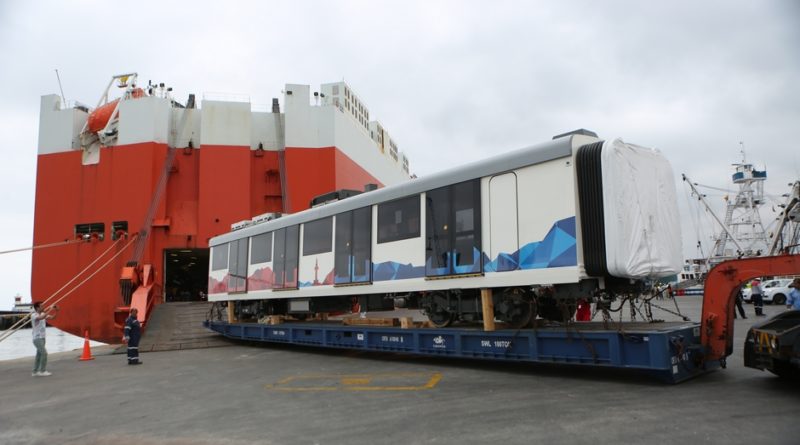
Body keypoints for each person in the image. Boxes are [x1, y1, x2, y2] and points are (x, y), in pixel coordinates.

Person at [30, 302, 58, 377]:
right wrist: (50, 309)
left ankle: (35, 372)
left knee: (38, 355)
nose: (43, 307)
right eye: (41, 306)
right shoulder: (34, 315)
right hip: (37, 338)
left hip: (42, 337)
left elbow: (53, 317)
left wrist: (56, 311)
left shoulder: (43, 314)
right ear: (37, 308)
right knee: (44, 353)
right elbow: (41, 318)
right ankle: (42, 371)